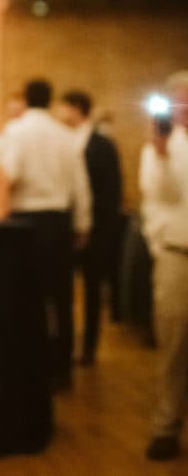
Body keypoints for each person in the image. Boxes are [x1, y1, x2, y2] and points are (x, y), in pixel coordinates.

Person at [0, 79, 91, 390]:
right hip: (59, 222)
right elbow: (80, 184)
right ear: (50, 101)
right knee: (61, 297)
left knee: (27, 295)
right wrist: (82, 224)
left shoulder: (16, 132)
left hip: (26, 223)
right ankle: (62, 369)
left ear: (25, 98)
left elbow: (10, 175)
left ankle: (30, 366)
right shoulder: (66, 135)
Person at [140, 70, 188, 461]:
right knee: (174, 346)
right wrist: (160, 150)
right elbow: (157, 197)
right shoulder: (161, 149)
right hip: (178, 255)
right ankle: (166, 427)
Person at [57, 90, 124, 366]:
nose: (61, 114)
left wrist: (99, 230)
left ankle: (89, 348)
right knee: (65, 290)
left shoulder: (103, 144)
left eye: (65, 108)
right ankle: (66, 345)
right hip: (66, 227)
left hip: (95, 230)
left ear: (76, 109)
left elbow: (111, 191)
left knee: (93, 290)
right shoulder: (62, 141)